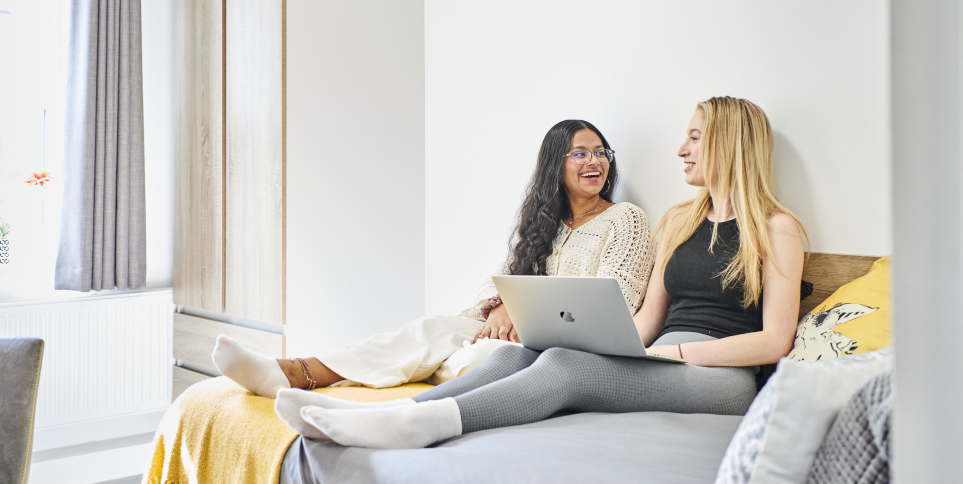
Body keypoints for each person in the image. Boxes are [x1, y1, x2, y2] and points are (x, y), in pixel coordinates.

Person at [273, 96, 808, 449]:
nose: (681, 149)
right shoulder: (678, 221)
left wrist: (674, 353)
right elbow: (649, 318)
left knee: (567, 369)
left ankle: (416, 426)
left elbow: (776, 339)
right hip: (663, 356)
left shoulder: (777, 229)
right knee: (518, 351)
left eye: (695, 137)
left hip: (724, 380)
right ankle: (395, 412)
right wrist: (624, 345)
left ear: (730, 144)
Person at [211, 119, 654, 398]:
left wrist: (527, 317)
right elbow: (501, 278)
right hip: (515, 335)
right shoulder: (545, 225)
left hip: (559, 352)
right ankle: (293, 373)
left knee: (472, 361)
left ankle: (401, 378)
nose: (594, 161)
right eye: (580, 153)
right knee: (432, 329)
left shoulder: (625, 220)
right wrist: (501, 305)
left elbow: (611, 305)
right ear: (555, 166)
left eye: (601, 152)